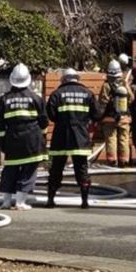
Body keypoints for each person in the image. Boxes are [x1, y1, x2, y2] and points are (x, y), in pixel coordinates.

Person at [0, 63, 48, 210]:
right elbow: (44, 122)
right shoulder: (36, 98)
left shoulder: (3, 100)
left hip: (12, 140)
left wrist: (3, 143)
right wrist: (43, 141)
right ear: (28, 80)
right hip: (32, 141)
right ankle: (20, 202)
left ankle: (5, 202)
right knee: (28, 170)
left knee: (10, 170)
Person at [46, 68, 100, 209]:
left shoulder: (56, 94)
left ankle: (51, 200)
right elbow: (96, 115)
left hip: (60, 136)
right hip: (80, 137)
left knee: (56, 169)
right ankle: (84, 201)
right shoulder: (88, 94)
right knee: (82, 169)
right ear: (77, 78)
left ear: (63, 79)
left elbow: (51, 115)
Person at [98, 59, 131, 167]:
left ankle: (112, 160)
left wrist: (99, 116)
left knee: (111, 138)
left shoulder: (106, 85)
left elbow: (103, 101)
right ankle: (124, 160)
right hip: (124, 117)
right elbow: (131, 98)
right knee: (124, 139)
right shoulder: (124, 84)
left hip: (109, 118)